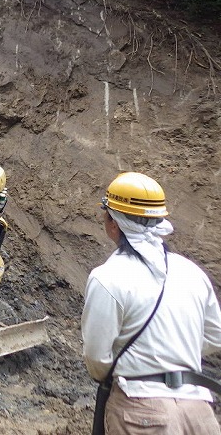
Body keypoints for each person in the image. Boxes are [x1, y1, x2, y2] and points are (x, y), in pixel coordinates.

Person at [82, 171, 221, 434]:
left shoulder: (107, 278)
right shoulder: (192, 273)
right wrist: (175, 353)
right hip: (199, 411)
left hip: (141, 411)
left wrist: (144, 364)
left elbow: (97, 358)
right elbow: (215, 338)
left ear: (113, 222)